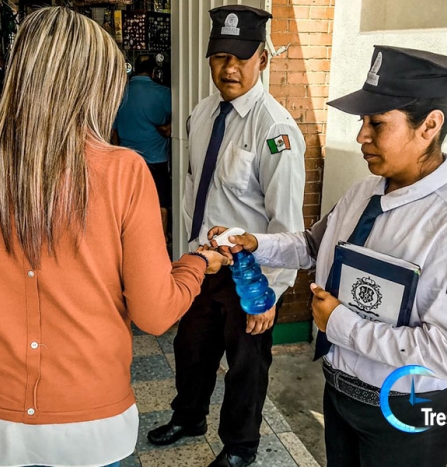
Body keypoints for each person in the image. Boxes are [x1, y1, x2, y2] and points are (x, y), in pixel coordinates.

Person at [0, 8, 230, 467]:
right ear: (95, 84)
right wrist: (199, 261)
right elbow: (155, 313)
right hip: (87, 415)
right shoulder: (123, 172)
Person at [210, 46, 447, 467]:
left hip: (405, 413)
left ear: (430, 126)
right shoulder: (363, 192)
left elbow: (445, 353)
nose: (361, 135)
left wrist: (341, 324)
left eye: (377, 123)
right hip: (340, 394)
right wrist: (255, 242)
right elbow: (313, 245)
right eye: (363, 122)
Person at [147, 6, 305, 467]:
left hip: (249, 275)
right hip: (202, 263)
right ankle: (189, 416)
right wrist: (187, 256)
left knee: (246, 366)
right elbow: (195, 190)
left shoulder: (275, 130)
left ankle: (240, 447)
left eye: (240, 57)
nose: (229, 68)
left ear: (262, 59)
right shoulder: (201, 113)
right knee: (191, 348)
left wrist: (268, 294)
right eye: (219, 57)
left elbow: (287, 223)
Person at [112, 54, 172, 242]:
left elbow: (113, 131)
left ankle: (131, 240)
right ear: (155, 71)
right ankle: (161, 242)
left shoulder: (119, 94)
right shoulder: (164, 93)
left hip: (126, 158)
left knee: (129, 204)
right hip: (156, 158)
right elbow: (174, 125)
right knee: (160, 202)